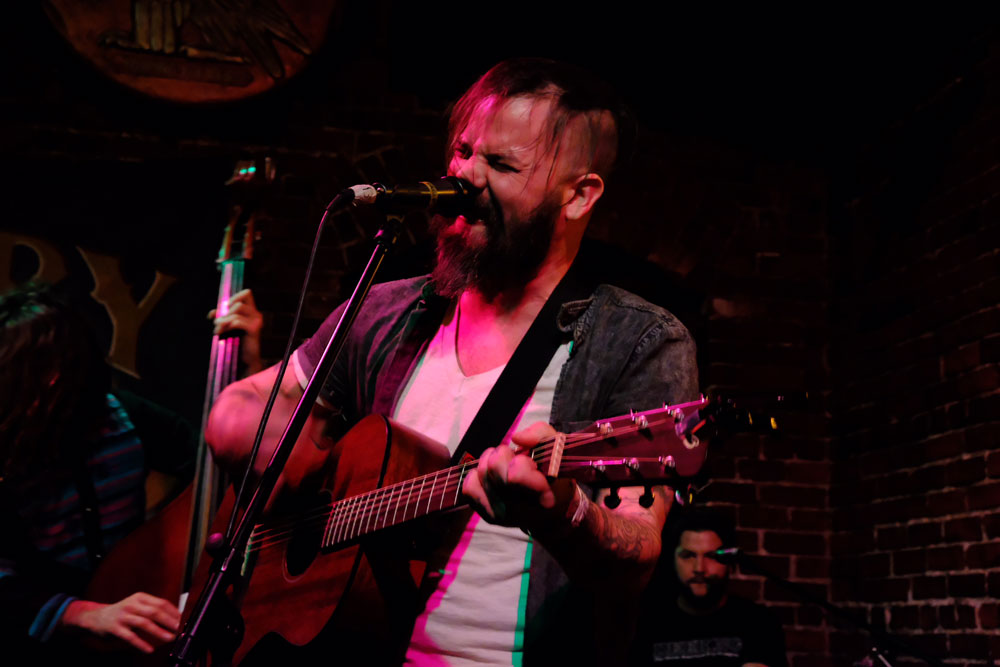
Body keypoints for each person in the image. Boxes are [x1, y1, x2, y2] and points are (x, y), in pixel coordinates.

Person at [206, 57, 700, 666]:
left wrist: (564, 511)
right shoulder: (386, 312)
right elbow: (240, 405)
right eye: (464, 150)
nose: (464, 176)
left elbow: (637, 552)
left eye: (500, 164)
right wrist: (288, 462)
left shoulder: (639, 341)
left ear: (579, 196)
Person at [0, 283, 262, 658]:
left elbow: (223, 464)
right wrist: (79, 613)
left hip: (127, 627)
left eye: (54, 376)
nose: (45, 390)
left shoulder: (119, 415)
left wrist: (251, 370)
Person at [631, 508, 788, 666]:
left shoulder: (758, 623)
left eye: (711, 556)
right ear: (673, 560)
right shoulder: (648, 625)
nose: (699, 568)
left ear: (730, 563)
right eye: (688, 556)